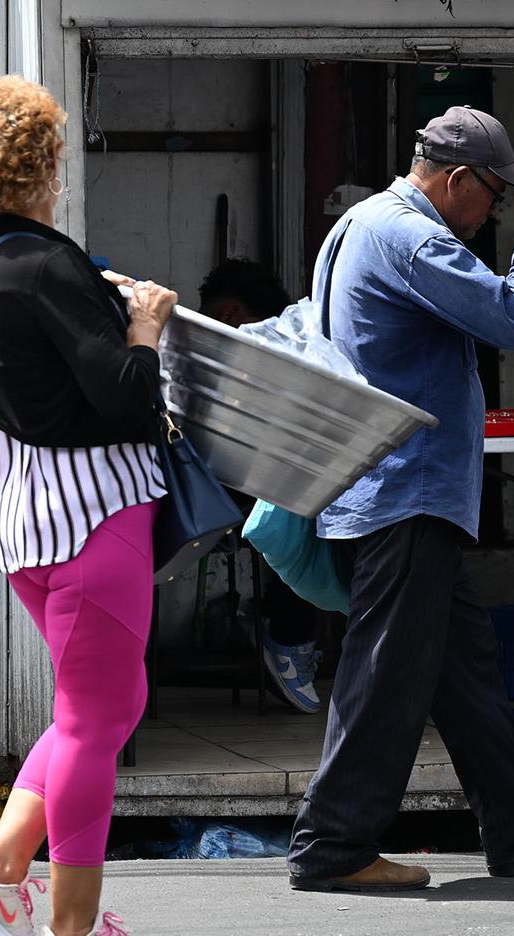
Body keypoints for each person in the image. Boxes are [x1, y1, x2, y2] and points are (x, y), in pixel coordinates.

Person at [286, 107, 514, 892]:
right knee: (386, 674)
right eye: (495, 198)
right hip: (404, 491)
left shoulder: (362, 223)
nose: (498, 213)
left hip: (390, 488)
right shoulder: (412, 236)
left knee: (461, 670)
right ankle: (332, 845)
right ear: (459, 180)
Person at [0, 75, 177, 936]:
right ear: (47, 166)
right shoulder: (46, 264)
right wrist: (142, 323)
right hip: (93, 521)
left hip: (26, 524)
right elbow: (123, 394)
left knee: (99, 709)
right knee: (94, 722)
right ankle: (70, 927)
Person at [198, 258, 324, 714]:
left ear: (230, 313)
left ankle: (289, 634)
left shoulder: (273, 345)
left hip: (249, 481)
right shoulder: (297, 338)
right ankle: (289, 635)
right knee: (306, 504)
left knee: (308, 504)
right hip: (223, 488)